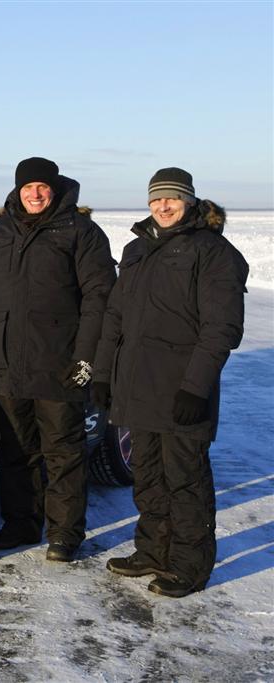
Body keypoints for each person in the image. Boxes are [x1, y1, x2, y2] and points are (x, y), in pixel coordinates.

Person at [93, 168, 248, 598]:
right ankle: (153, 551)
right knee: (147, 475)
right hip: (136, 385)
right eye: (156, 199)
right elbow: (115, 318)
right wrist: (104, 374)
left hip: (181, 389)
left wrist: (195, 388)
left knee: (185, 480)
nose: (163, 206)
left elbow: (222, 328)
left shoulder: (212, 252)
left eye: (172, 199)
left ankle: (188, 566)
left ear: (189, 201)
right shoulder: (138, 249)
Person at [0, 157, 115, 562]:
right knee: (16, 450)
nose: (34, 193)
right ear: (17, 190)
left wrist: (87, 358)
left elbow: (100, 298)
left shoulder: (79, 231)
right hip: (6, 361)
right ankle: (20, 524)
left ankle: (65, 535)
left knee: (63, 452)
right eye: (27, 187)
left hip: (58, 362)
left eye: (41, 187)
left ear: (55, 188)